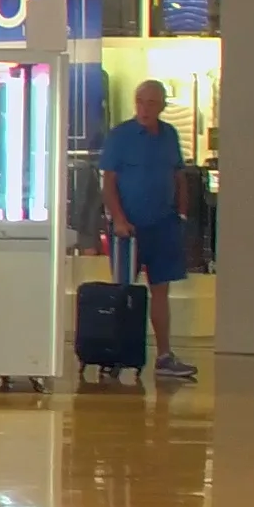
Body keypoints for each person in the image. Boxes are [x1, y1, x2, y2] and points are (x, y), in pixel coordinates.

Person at [98, 78, 199, 383]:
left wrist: (180, 212)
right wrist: (118, 219)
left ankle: (164, 356)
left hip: (163, 225)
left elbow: (178, 174)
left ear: (162, 106)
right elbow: (109, 182)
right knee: (124, 291)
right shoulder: (121, 136)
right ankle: (117, 353)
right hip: (129, 228)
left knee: (161, 291)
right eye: (141, 102)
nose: (145, 108)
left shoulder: (168, 134)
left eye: (152, 103)